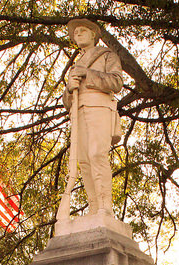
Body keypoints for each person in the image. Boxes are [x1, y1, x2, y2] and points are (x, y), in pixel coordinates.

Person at [63, 18, 123, 216]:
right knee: (84, 161)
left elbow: (116, 82)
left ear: (93, 34)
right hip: (78, 112)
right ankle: (94, 206)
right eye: (75, 32)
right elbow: (67, 101)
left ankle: (106, 206)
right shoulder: (74, 66)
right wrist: (69, 90)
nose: (77, 34)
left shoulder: (107, 56)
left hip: (99, 106)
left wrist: (87, 74)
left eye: (82, 30)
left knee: (97, 154)